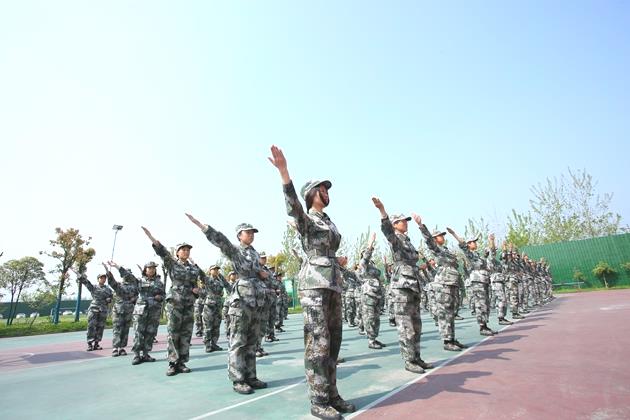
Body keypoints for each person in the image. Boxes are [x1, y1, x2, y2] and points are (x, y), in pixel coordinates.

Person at [269, 145, 354, 420]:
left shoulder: (328, 220)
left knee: (334, 341)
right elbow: (293, 207)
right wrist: (284, 173)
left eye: (327, 189)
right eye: (321, 189)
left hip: (332, 282)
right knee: (318, 342)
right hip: (314, 285)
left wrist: (336, 260)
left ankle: (332, 394)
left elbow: (326, 248)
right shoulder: (306, 220)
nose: (326, 192)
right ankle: (318, 400)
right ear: (311, 194)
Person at [186, 214, 267, 395]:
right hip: (241, 302)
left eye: (252, 232)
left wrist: (262, 274)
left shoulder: (254, 252)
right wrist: (204, 227)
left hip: (256, 301)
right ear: (239, 235)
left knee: (252, 341)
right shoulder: (235, 251)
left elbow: (257, 271)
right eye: (247, 232)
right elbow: (221, 241)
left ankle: (251, 376)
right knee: (238, 341)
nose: (251, 234)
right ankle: (238, 379)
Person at [372, 198, 433, 373]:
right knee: (406, 326)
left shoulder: (407, 240)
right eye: (401, 221)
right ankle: (409, 360)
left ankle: (417, 357)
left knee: (416, 325)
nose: (405, 223)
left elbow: (418, 256)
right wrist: (382, 211)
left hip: (413, 284)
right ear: (394, 224)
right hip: (402, 288)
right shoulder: (395, 239)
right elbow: (386, 231)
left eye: (406, 221)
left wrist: (421, 225)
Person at [141, 227, 205, 376]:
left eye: (188, 250)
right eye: (183, 249)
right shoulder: (172, 264)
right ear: (177, 252)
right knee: (173, 333)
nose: (186, 252)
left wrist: (197, 290)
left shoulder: (193, 269)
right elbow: (162, 252)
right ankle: (172, 362)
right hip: (175, 302)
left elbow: (196, 284)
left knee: (186, 333)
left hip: (188, 304)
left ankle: (182, 362)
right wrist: (152, 239)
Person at [418, 221, 467, 352]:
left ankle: (452, 338)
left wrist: (454, 234)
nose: (442, 237)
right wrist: (422, 226)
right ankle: (446, 341)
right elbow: (429, 241)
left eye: (442, 235)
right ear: (435, 239)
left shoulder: (446, 250)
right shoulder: (436, 249)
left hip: (452, 282)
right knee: (445, 313)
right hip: (443, 283)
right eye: (440, 236)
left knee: (451, 313)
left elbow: (463, 245)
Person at [448, 228, 497, 336]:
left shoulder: (478, 255)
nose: (475, 243)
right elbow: (463, 245)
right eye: (473, 242)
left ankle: (485, 325)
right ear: (469, 244)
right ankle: (482, 327)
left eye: (475, 241)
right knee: (480, 304)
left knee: (486, 303)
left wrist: (492, 241)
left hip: (484, 280)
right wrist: (454, 234)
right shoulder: (469, 254)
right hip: (477, 281)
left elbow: (492, 253)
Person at [121, 261, 165, 365]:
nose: (152, 270)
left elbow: (164, 295)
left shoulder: (159, 282)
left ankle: (146, 354)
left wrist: (160, 297)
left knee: (150, 333)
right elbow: (128, 276)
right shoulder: (139, 281)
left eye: (153, 268)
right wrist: (119, 267)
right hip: (141, 311)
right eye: (149, 268)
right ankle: (136, 355)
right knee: (138, 332)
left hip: (153, 311)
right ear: (145, 270)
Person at [103, 261, 139, 357]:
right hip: (118, 310)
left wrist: (134, 299)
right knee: (117, 329)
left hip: (129, 310)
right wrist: (108, 272)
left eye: (129, 274)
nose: (127, 276)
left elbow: (137, 295)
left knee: (125, 329)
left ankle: (122, 347)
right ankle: (115, 348)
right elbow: (112, 283)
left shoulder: (135, 285)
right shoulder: (119, 285)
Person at [358, 232, 386, 349]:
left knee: (376, 317)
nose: (370, 252)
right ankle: (371, 340)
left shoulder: (372, 265)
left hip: (377, 293)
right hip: (369, 294)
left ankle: (374, 337)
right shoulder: (363, 264)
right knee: (369, 317)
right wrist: (370, 244)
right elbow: (366, 258)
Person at [75, 270, 113, 351]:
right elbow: (86, 282)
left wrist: (109, 299)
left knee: (100, 327)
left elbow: (111, 297)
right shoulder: (94, 287)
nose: (103, 279)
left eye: (104, 278)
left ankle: (96, 343)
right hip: (94, 309)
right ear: (98, 279)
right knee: (91, 326)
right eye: (101, 278)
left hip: (103, 310)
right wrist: (79, 275)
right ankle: (90, 344)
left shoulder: (108, 289)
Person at [202, 264, 232, 353]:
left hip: (218, 305)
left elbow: (227, 286)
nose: (216, 271)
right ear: (210, 271)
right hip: (209, 306)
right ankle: (208, 345)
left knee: (216, 325)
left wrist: (221, 276)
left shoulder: (220, 280)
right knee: (208, 326)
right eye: (214, 269)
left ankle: (214, 343)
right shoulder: (207, 279)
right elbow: (201, 275)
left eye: (217, 269)